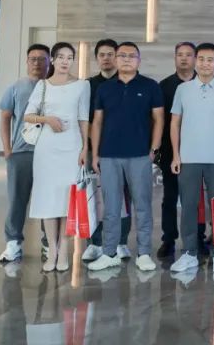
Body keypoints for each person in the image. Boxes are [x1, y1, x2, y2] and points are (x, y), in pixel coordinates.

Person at [87, 42, 164, 273]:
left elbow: (159, 119)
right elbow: (97, 122)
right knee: (111, 207)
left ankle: (144, 253)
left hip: (140, 155)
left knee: (142, 206)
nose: (127, 59)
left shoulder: (150, 86)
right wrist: (95, 153)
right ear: (116, 59)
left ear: (139, 60)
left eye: (132, 56)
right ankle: (109, 253)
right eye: (122, 55)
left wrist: (154, 150)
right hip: (109, 155)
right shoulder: (105, 88)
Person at [169, 42, 214, 274]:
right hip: (188, 158)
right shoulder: (183, 89)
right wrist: (176, 154)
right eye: (201, 59)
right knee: (188, 206)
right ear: (195, 61)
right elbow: (175, 123)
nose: (205, 64)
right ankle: (189, 253)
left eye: (210, 60)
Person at [22, 42, 90, 273]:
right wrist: (48, 119)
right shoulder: (43, 85)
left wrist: (85, 148)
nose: (65, 61)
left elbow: (83, 118)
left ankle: (64, 251)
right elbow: (28, 115)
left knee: (67, 200)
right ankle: (52, 249)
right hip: (47, 148)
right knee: (48, 199)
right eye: (60, 57)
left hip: (72, 146)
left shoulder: (82, 85)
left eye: (69, 57)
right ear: (52, 59)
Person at [0, 44, 51, 264]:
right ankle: (13, 243)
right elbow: (5, 118)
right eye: (33, 59)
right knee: (17, 200)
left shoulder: (55, 87)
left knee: (49, 200)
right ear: (27, 61)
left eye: (42, 59)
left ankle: (49, 243)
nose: (37, 63)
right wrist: (7, 149)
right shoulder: (15, 87)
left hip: (49, 154)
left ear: (49, 62)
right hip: (21, 153)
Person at [82, 39, 132, 262]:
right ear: (96, 58)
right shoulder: (88, 85)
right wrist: (92, 147)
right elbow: (85, 119)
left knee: (123, 197)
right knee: (95, 196)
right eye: (102, 55)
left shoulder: (128, 82)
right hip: (96, 150)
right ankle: (95, 242)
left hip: (124, 150)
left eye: (111, 54)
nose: (106, 58)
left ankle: (121, 242)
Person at [157, 42, 198, 258]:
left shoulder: (205, 84)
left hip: (199, 150)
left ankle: (198, 237)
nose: (184, 58)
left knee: (196, 199)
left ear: (195, 59)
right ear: (175, 58)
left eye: (188, 55)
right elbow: (159, 120)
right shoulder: (164, 86)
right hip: (170, 151)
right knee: (170, 197)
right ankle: (169, 239)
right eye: (180, 54)